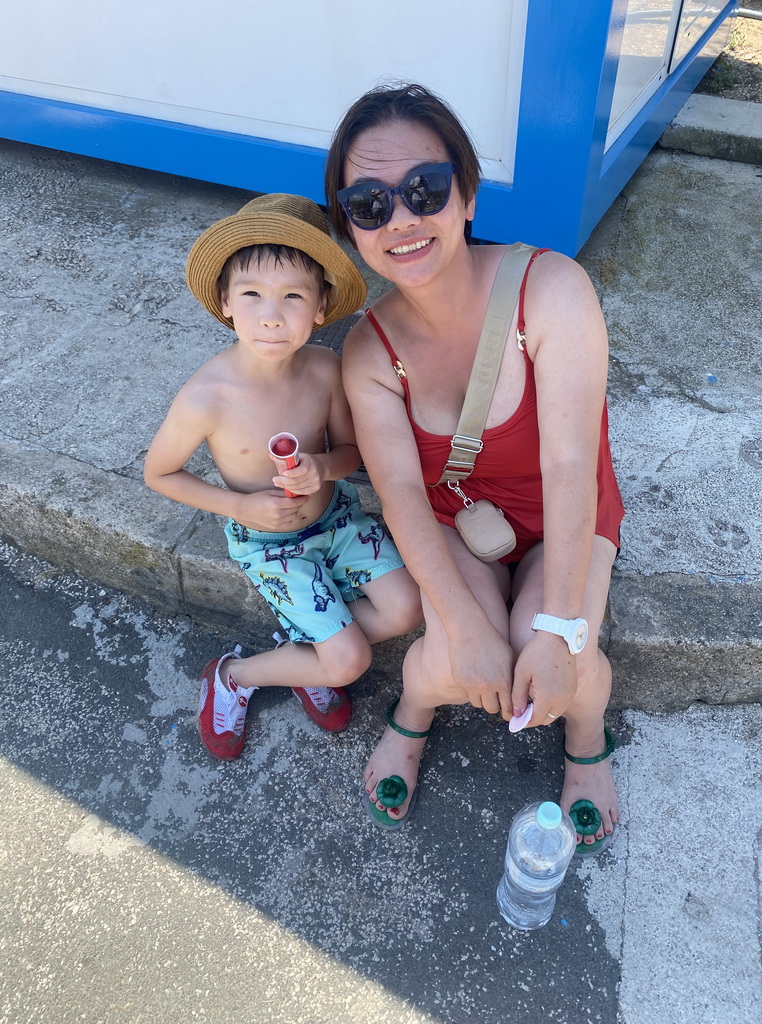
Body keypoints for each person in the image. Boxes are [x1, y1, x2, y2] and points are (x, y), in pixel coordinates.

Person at [325, 83, 625, 847]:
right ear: (351, 226)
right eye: (370, 204)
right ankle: (412, 715)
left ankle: (586, 741)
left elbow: (568, 464)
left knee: (556, 650)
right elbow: (398, 494)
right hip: (458, 520)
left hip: (567, 508)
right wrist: (459, 620)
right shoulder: (368, 352)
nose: (402, 219)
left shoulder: (551, 290)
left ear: (466, 195)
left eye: (425, 189)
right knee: (456, 656)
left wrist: (556, 631)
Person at [144, 193, 422, 761]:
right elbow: (160, 473)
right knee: (349, 664)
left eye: (293, 295)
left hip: (336, 519)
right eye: (252, 294)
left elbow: (349, 452)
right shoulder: (207, 395)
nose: (272, 315)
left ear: (321, 307)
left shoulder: (325, 368)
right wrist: (240, 508)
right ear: (225, 302)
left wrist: (322, 467)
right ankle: (235, 675)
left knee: (407, 607)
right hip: (269, 544)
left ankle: (308, 652)